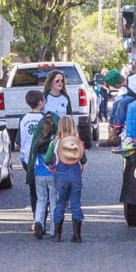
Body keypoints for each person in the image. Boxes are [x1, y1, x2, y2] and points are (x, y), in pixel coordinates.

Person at [45, 116, 86, 243]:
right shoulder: (77, 141)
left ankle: (57, 235)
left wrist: (52, 165)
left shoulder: (56, 142)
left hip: (61, 174)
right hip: (75, 174)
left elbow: (47, 159)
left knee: (60, 203)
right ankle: (77, 235)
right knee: (76, 203)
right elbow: (84, 160)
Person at [26, 112, 58, 240]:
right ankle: (54, 229)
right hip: (53, 173)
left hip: (39, 173)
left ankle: (38, 221)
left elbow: (32, 157)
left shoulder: (38, 141)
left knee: (41, 199)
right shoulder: (55, 141)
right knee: (54, 201)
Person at [19, 90, 45, 222]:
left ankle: (36, 217)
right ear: (40, 102)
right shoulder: (45, 119)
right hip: (41, 159)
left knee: (33, 190)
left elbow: (19, 139)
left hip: (27, 159)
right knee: (44, 191)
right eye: (44, 100)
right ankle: (42, 218)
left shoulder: (23, 119)